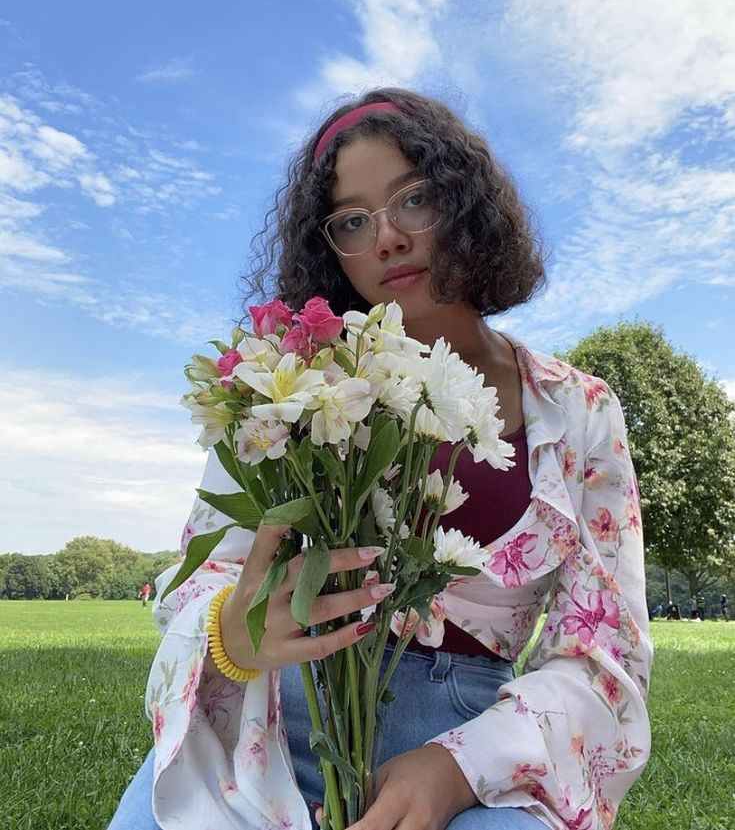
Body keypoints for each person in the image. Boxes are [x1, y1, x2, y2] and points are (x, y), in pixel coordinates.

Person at [108, 89, 652, 830]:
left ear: (467, 205)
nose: (388, 237)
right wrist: (228, 631)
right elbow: (203, 569)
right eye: (353, 221)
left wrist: (457, 767)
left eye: (414, 199)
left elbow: (603, 653)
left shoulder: (580, 411)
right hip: (264, 726)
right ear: (327, 246)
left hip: (477, 747)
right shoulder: (287, 387)